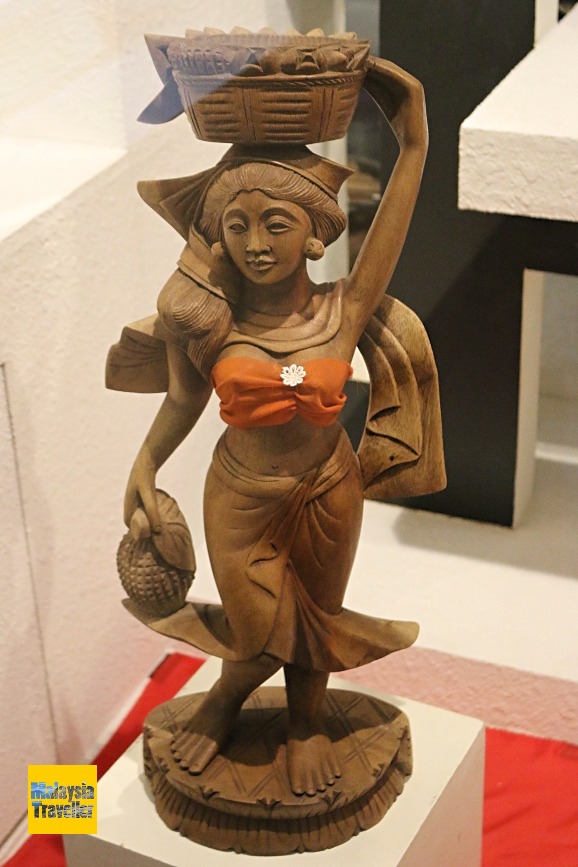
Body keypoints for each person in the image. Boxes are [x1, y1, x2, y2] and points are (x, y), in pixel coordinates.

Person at [107, 58, 444, 797]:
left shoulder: (341, 311)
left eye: (276, 223)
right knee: (254, 627)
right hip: (240, 496)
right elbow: (182, 400)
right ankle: (224, 699)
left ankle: (305, 724)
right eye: (238, 226)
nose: (256, 242)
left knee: (318, 619)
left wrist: (414, 137)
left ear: (315, 236)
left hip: (328, 487)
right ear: (219, 239)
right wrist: (145, 463)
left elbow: (393, 220)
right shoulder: (208, 322)